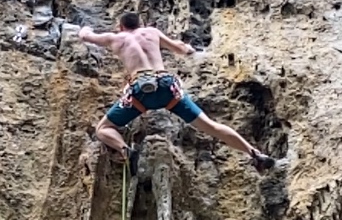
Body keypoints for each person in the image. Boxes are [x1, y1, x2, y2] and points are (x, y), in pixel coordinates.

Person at [79, 12, 276, 175]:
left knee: (103, 128)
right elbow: (181, 48)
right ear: (142, 24)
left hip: (140, 92)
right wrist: (190, 50)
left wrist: (85, 29)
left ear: (120, 26)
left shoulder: (116, 38)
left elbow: (86, 36)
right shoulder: (151, 32)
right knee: (211, 126)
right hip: (168, 88)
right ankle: (255, 153)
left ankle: (126, 151)